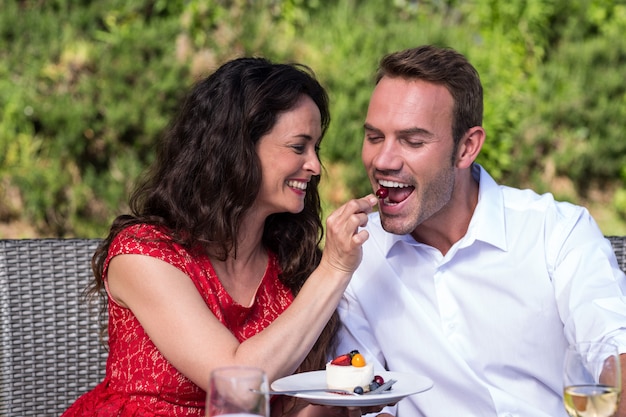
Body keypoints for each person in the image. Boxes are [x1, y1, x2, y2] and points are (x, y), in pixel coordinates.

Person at [61, 57, 378, 417]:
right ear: (238, 148)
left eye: (315, 148)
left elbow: (290, 408)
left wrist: (349, 404)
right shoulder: (143, 254)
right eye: (298, 147)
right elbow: (239, 382)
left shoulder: (288, 263)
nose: (315, 166)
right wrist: (334, 268)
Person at [334, 44, 626, 417]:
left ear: (466, 148)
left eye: (412, 141)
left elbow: (614, 348)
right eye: (375, 137)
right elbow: (365, 398)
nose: (383, 160)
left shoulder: (556, 231)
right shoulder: (358, 255)